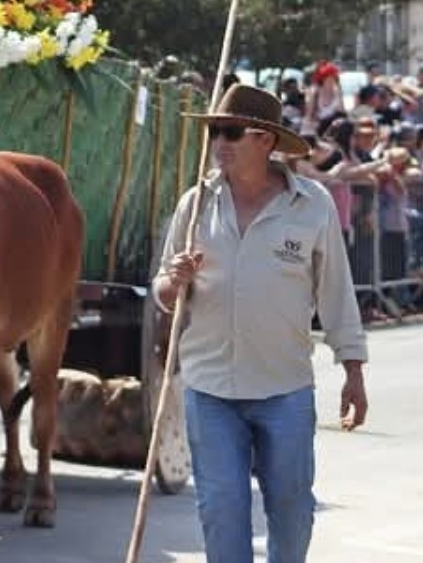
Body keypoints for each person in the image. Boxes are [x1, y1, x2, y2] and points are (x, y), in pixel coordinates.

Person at [154, 84, 367, 563]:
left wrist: (353, 369)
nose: (219, 144)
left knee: (292, 512)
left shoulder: (312, 205)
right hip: (210, 389)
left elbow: (336, 291)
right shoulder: (196, 204)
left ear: (266, 141)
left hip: (284, 388)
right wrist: (174, 280)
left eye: (231, 132)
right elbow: (163, 293)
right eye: (214, 133)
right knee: (221, 508)